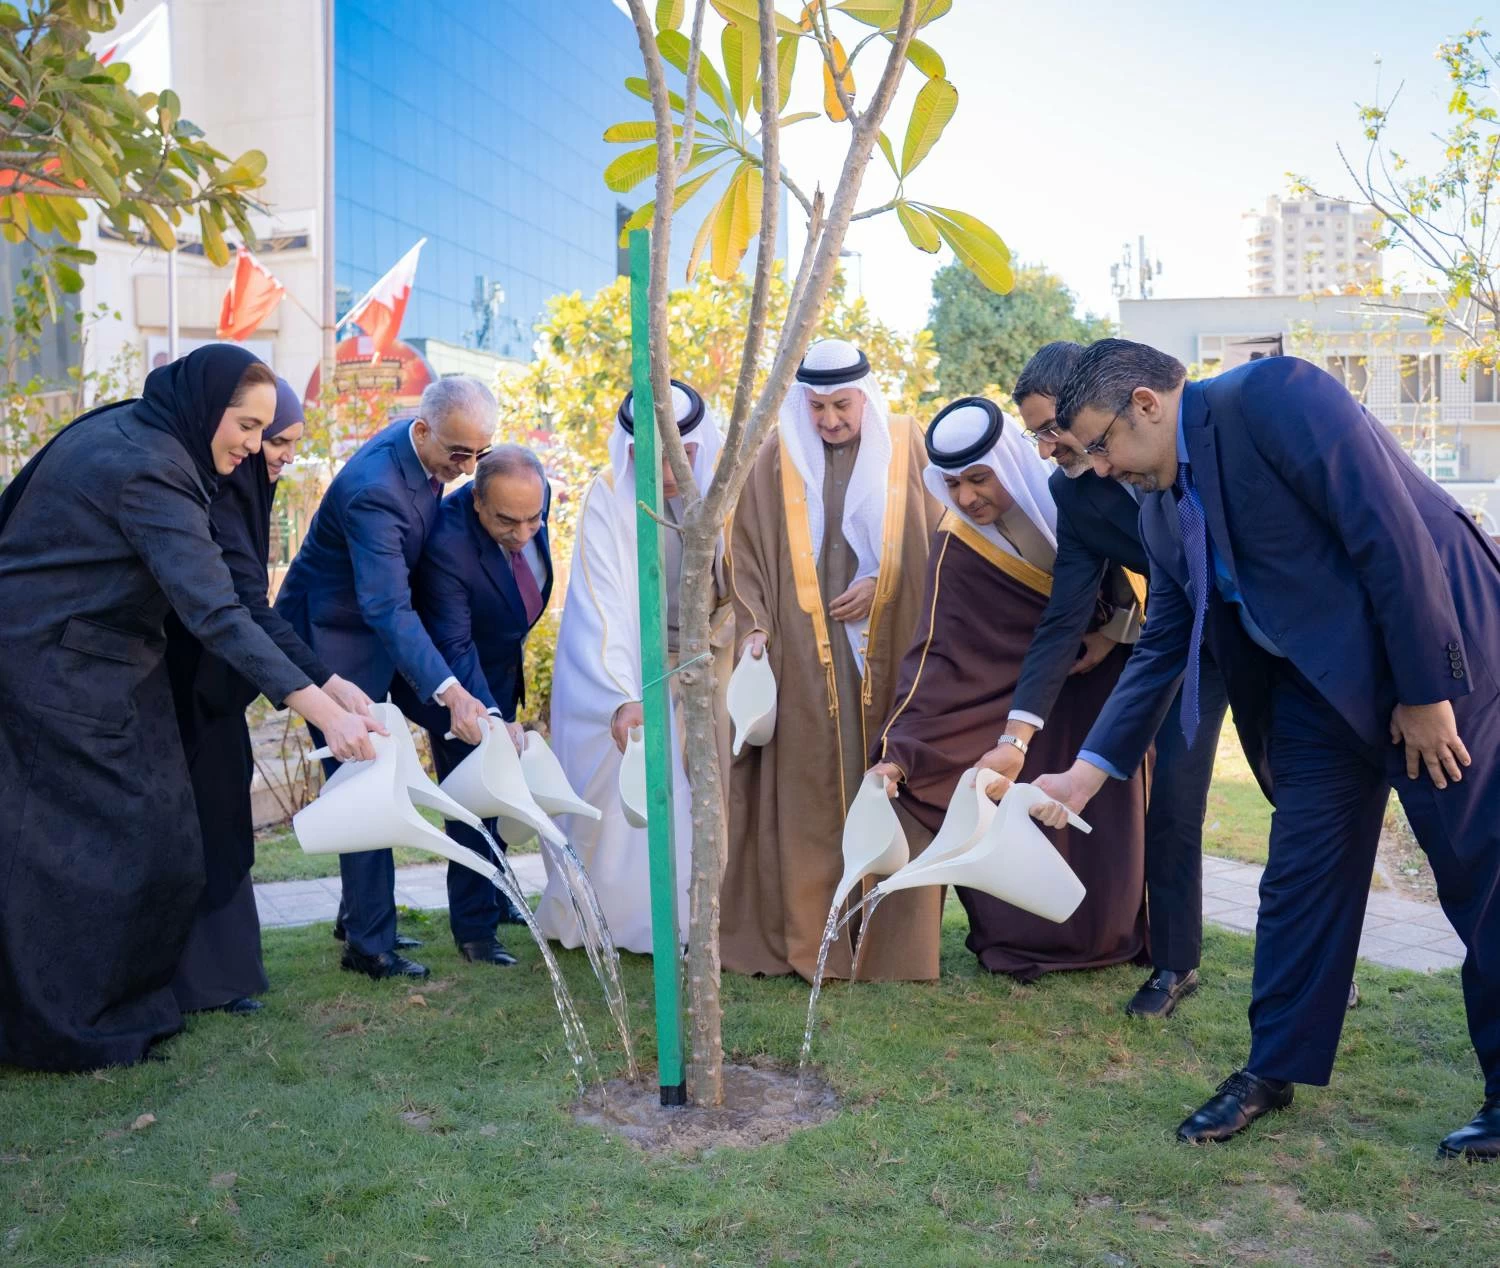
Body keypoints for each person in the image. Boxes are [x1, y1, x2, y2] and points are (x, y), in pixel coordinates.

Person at [1029, 339, 1500, 1160]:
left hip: (1435, 657)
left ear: (1146, 402)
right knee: (1299, 878)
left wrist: (1425, 695)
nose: (1098, 469)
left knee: (1479, 870)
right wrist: (1086, 771)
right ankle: (1271, 1068)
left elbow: (1390, 538)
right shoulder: (1157, 505)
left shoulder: (1277, 396)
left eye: (1098, 445)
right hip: (1316, 693)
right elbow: (1166, 640)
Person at [0, 345, 379, 1073]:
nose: (252, 443)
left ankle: (118, 1004)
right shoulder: (152, 469)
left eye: (263, 429)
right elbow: (217, 611)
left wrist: (327, 685)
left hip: (99, 663)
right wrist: (323, 713)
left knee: (162, 836)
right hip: (53, 670)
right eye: (245, 424)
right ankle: (69, 1025)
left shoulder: (137, 431)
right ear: (207, 406)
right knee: (94, 850)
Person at [974, 341, 1227, 1017]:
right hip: (1178, 648)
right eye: (1037, 437)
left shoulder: (1185, 448)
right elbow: (1065, 616)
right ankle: (1174, 964)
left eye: (1051, 431)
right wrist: (1016, 735)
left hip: (1254, 631)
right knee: (1173, 803)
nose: (1048, 449)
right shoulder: (1072, 492)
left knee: (1294, 792)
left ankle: (1330, 958)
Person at [869, 396, 1148, 980]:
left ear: (1007, 465)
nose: (969, 497)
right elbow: (939, 648)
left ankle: (1113, 933)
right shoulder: (957, 543)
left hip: (1103, 687)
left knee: (1107, 817)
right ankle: (1027, 941)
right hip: (1014, 701)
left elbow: (1140, 580)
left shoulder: (1072, 500)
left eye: (979, 477)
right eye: (953, 484)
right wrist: (901, 749)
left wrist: (1109, 638)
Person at [721, 338, 941, 983]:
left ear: (865, 397)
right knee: (810, 793)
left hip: (888, 650)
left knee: (888, 781)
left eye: (841, 406)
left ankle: (888, 951)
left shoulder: (906, 444)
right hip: (802, 662)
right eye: (816, 408)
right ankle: (810, 941)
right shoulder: (775, 456)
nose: (829, 422)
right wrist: (756, 630)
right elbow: (744, 552)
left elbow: (936, 536)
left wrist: (885, 579)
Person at [276, 376, 497, 981]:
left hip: (385, 635)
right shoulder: (375, 490)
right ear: (422, 430)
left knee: (459, 734)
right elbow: (385, 608)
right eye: (459, 453)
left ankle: (397, 915)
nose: (469, 467)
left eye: (480, 453)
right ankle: (369, 946)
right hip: (335, 640)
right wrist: (449, 688)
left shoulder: (423, 452)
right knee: (365, 776)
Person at [165, 377, 370, 1016]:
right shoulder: (220, 496)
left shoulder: (248, 491)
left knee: (224, 828)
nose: (280, 453)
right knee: (203, 831)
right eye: (270, 438)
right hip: (183, 694)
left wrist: (333, 685)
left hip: (217, 693)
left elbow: (261, 610)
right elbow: (243, 610)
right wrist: (325, 702)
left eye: (287, 441)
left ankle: (223, 979)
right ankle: (203, 984)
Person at [539, 381, 732, 955]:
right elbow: (602, 605)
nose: (670, 470)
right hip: (631, 673)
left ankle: (703, 920)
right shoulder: (607, 495)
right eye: (650, 457)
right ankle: (621, 923)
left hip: (707, 662)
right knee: (628, 802)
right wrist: (624, 696)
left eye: (683, 454)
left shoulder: (730, 495)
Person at [412, 444, 554, 966]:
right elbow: (453, 643)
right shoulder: (447, 542)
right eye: (507, 522)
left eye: (533, 519)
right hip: (458, 683)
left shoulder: (529, 503)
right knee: (473, 798)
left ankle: (496, 897)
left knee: (498, 792)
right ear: (477, 501)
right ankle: (474, 931)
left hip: (500, 666)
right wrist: (487, 714)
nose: (523, 534)